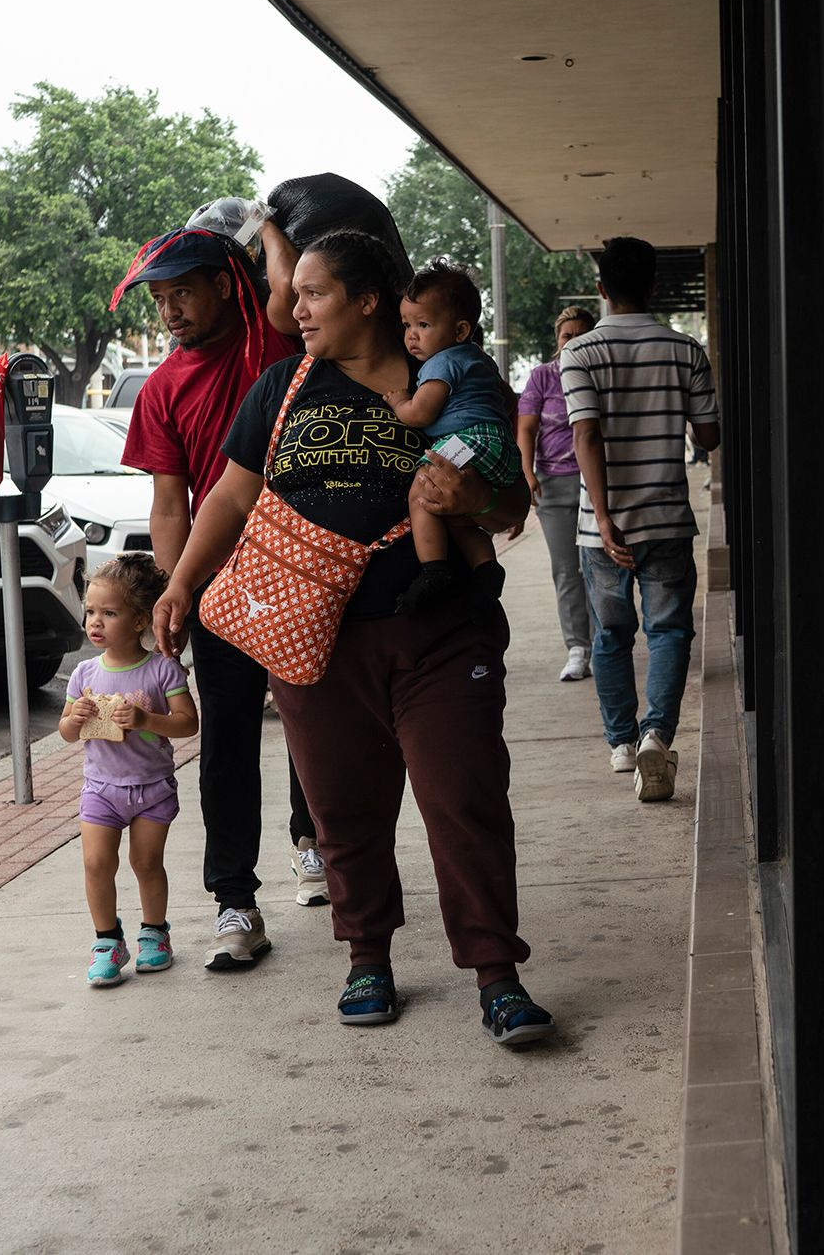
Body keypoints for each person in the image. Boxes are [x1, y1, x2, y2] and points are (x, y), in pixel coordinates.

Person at [151, 228, 554, 1046]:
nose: (293, 309)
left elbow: (511, 510)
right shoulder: (283, 387)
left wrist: (471, 493)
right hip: (311, 641)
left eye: (313, 294)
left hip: (440, 634)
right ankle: (366, 956)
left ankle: (496, 974)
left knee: (464, 800)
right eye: (293, 294)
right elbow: (229, 498)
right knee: (342, 812)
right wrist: (182, 584)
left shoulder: (450, 379)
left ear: (368, 300)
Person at [113, 223, 326, 966]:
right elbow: (171, 505)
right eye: (160, 299)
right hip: (224, 589)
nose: (169, 311)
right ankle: (235, 901)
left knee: (314, 724)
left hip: (309, 577)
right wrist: (178, 595)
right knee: (227, 744)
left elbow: (285, 285)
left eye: (182, 293)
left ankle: (314, 843)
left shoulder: (273, 347)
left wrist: (266, 227)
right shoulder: (162, 387)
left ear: (225, 286)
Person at [561, 236, 721, 802]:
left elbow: (584, 432)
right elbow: (709, 435)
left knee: (610, 634)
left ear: (601, 289)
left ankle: (621, 744)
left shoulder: (577, 353)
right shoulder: (687, 350)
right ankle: (657, 735)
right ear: (655, 286)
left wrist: (603, 516)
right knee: (670, 630)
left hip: (600, 526)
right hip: (668, 520)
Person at [59, 555, 200, 987]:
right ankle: (107, 940)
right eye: (90, 612)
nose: (95, 622)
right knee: (97, 862)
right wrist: (76, 719)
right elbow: (66, 732)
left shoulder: (162, 669)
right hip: (100, 789)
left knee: (145, 862)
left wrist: (145, 721)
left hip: (151, 789)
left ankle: (155, 933)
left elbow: (188, 723)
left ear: (140, 620)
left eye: (109, 613)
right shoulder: (84, 673)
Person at [386, 259, 516, 613]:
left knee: (422, 492)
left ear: (460, 331)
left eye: (424, 325)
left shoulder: (441, 363)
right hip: (497, 445)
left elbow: (420, 414)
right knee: (456, 515)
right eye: (406, 324)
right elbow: (507, 401)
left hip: (468, 441)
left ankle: (433, 569)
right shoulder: (480, 359)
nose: (412, 335)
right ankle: (487, 568)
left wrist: (400, 402)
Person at [517, 306, 599, 681]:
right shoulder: (543, 378)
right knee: (567, 570)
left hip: (596, 484)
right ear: (557, 339)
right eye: (567, 335)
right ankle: (578, 649)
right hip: (553, 484)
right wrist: (527, 471)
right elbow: (527, 428)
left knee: (599, 569)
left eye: (581, 334)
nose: (573, 341)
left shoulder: (600, 374)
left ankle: (603, 646)